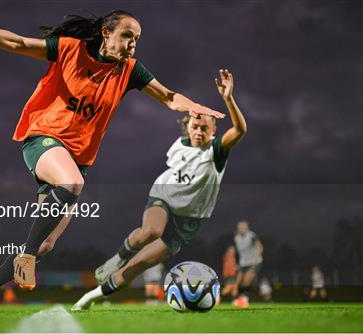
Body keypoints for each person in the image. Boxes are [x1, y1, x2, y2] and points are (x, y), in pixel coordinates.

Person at [0, 10, 224, 313]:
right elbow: (18, 44)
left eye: (137, 39)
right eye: (127, 35)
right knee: (71, 183)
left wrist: (192, 106)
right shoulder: (70, 50)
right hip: (44, 139)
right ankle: (26, 259)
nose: (132, 44)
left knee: (47, 244)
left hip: (77, 159)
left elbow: (167, 97)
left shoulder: (129, 70)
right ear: (106, 33)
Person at [72, 69, 247, 311]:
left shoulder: (216, 151)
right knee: (151, 230)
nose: (199, 132)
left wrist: (228, 99)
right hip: (163, 196)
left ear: (214, 131)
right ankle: (117, 258)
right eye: (195, 126)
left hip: (188, 220)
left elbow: (239, 131)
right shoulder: (180, 144)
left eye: (205, 128)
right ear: (187, 126)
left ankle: (90, 297)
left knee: (140, 264)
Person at [232, 220, 263, 308]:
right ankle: (239, 298)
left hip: (254, 262)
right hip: (243, 263)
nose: (242, 228)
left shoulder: (252, 236)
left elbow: (260, 247)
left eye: (243, 227)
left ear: (247, 227)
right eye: (240, 227)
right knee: (238, 282)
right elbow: (239, 251)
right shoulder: (236, 237)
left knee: (246, 280)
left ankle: (244, 298)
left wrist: (257, 257)